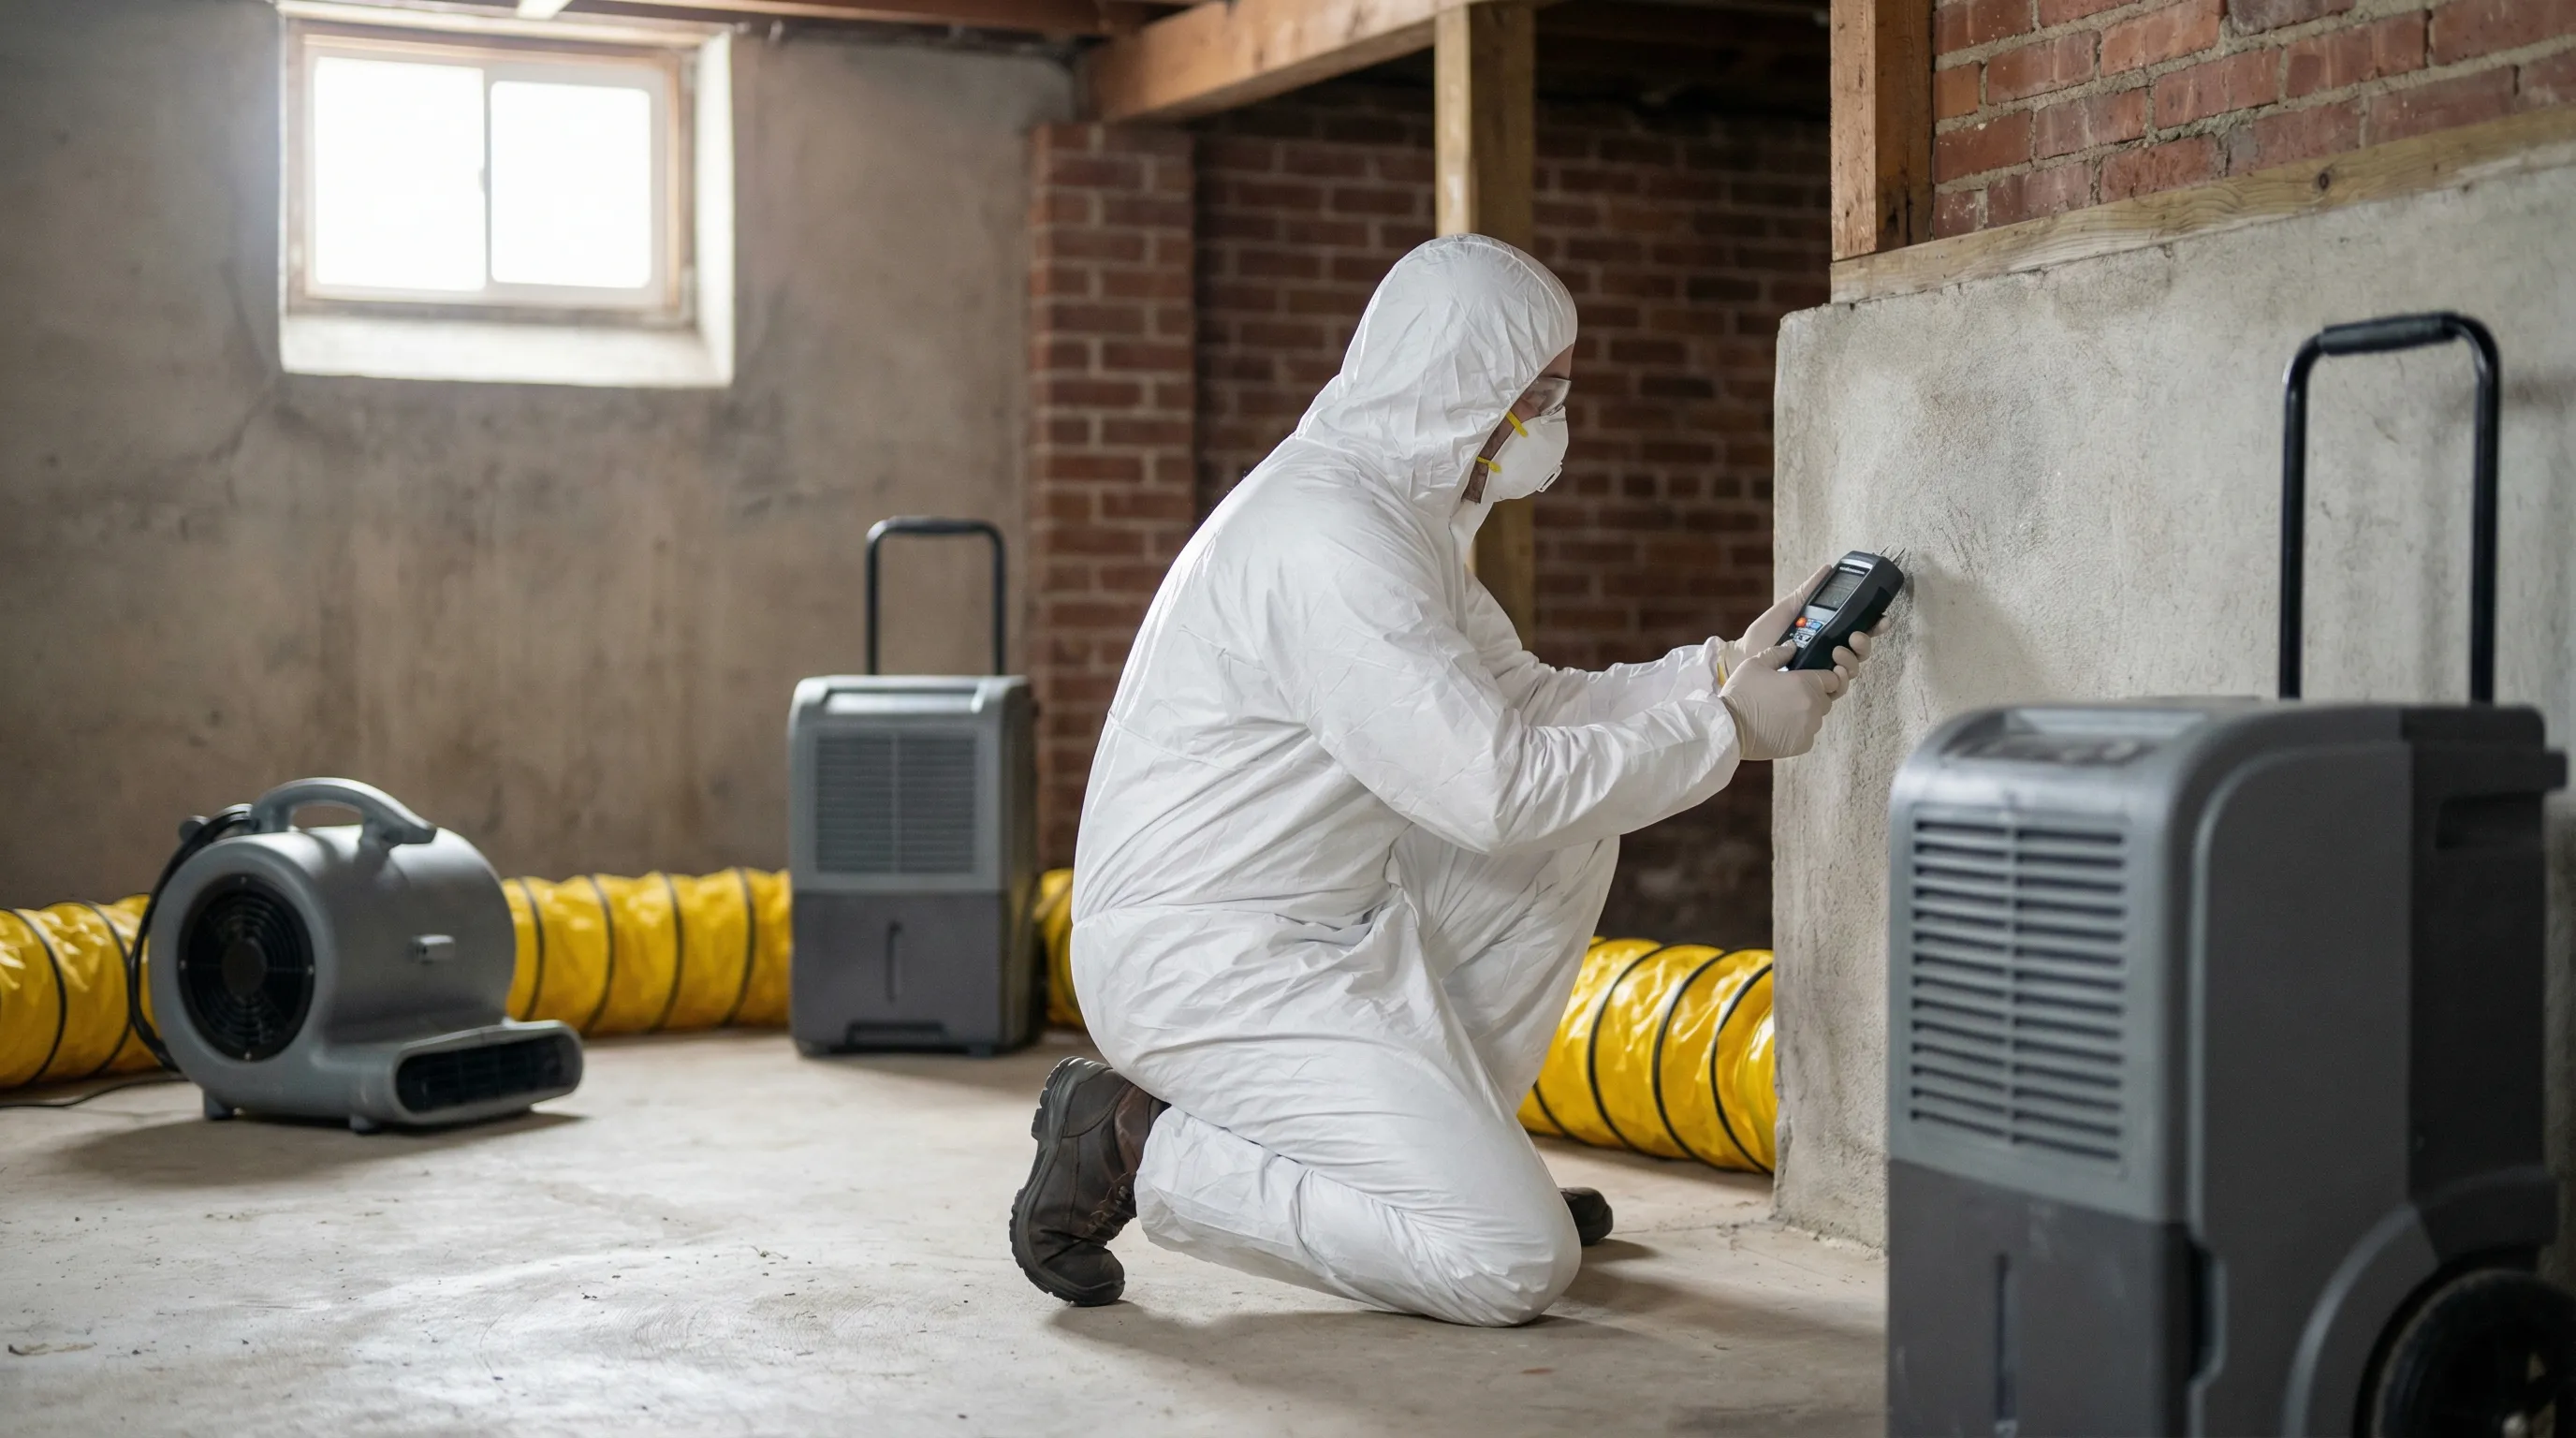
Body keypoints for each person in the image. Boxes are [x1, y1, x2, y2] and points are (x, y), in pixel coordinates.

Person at [1007, 234, 1878, 1327]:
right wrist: (1721, 732)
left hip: (1317, 918)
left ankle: (1450, 1164)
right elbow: (1496, 789)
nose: (1554, 423)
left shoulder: (1395, 519)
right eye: (1539, 396)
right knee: (1509, 1264)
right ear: (1457, 392)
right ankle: (1137, 1140)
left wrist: (1716, 673)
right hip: (1204, 962)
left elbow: (1521, 705)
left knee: (1568, 835)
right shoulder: (1327, 541)